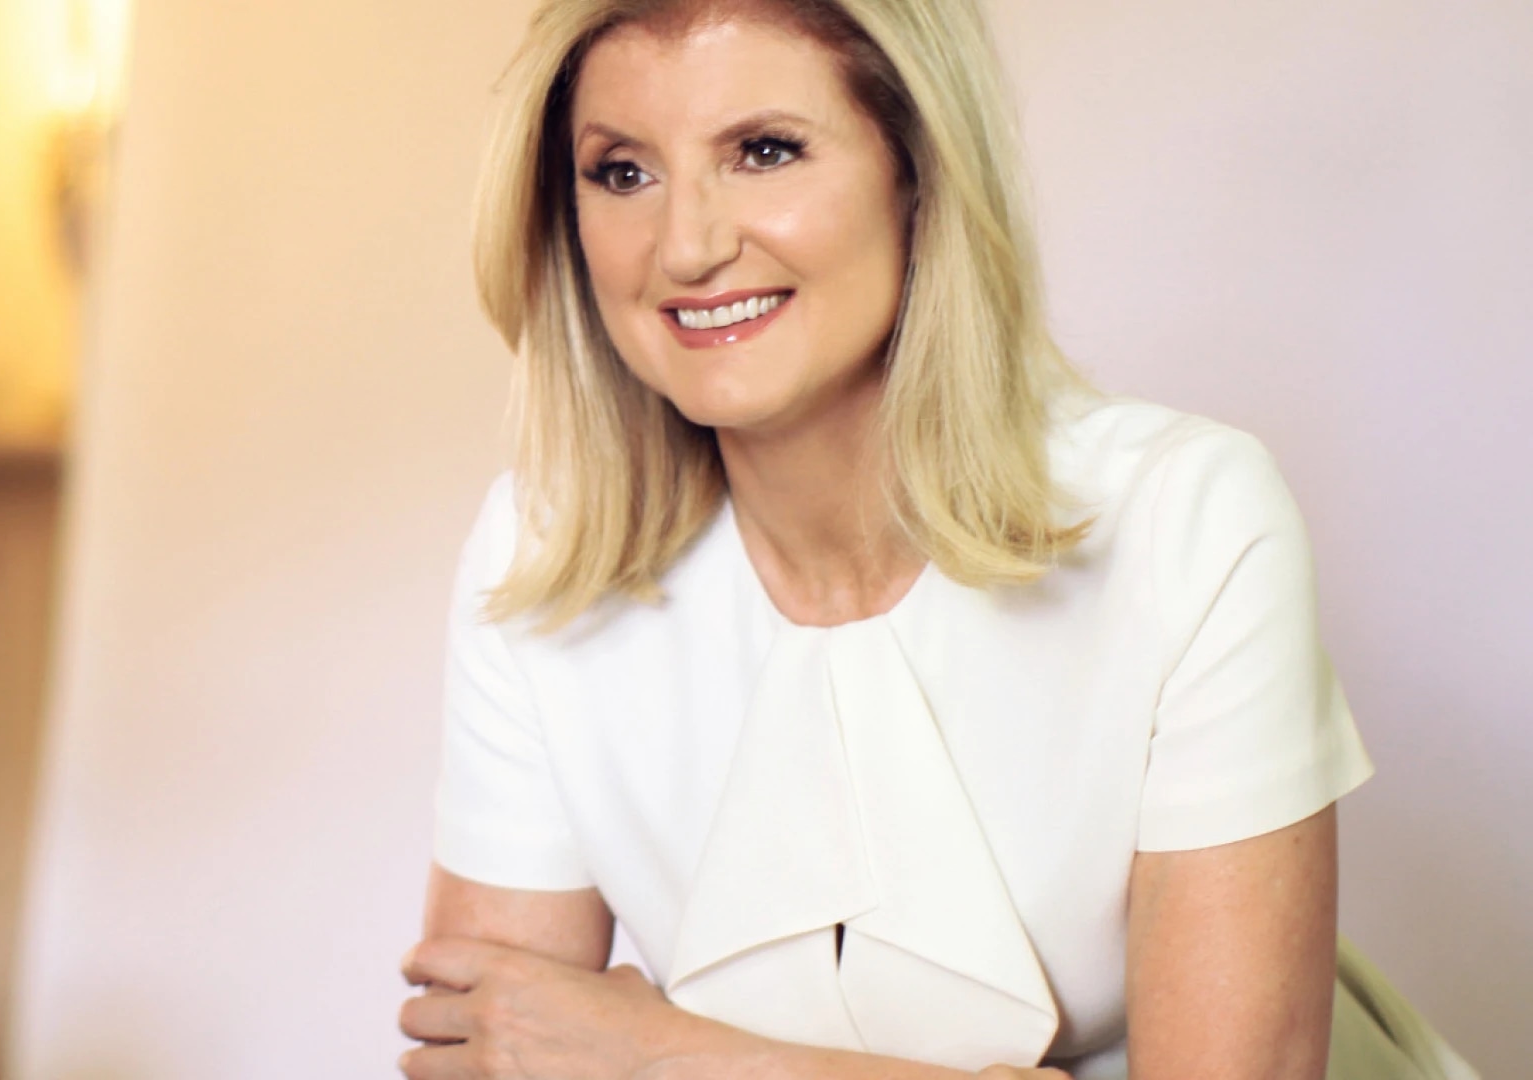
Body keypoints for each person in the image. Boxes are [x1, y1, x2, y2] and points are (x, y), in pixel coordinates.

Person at [397, 1, 1478, 1078]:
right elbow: (488, 1048)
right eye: (623, 171)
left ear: (919, 174)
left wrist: (665, 1060)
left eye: (764, 152)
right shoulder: (540, 556)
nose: (686, 246)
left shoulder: (1185, 518)